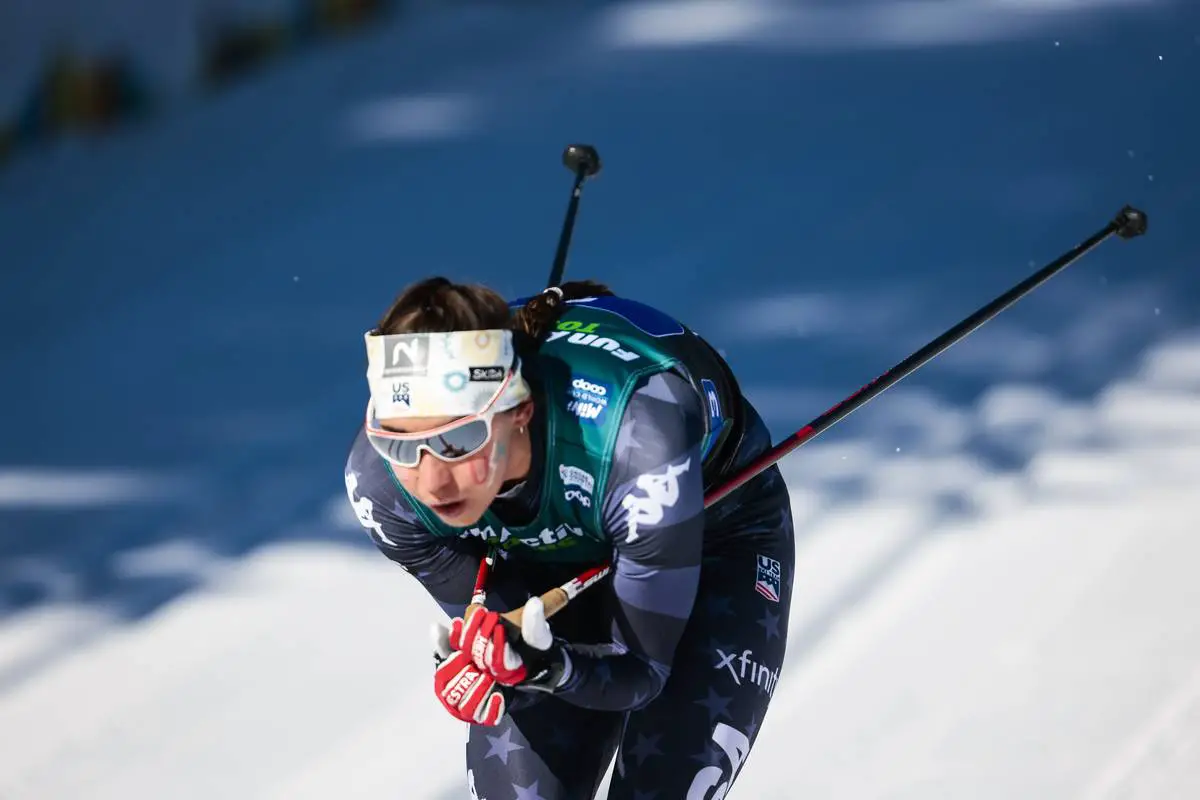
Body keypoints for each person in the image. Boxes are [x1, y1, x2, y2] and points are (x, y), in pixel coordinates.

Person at [343, 277, 795, 799]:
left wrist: (547, 665)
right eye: (401, 446)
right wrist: (493, 657)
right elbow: (507, 617)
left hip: (713, 531)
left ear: (520, 412)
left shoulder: (636, 438)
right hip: (555, 558)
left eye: (458, 439)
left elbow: (640, 670)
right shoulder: (381, 488)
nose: (432, 480)